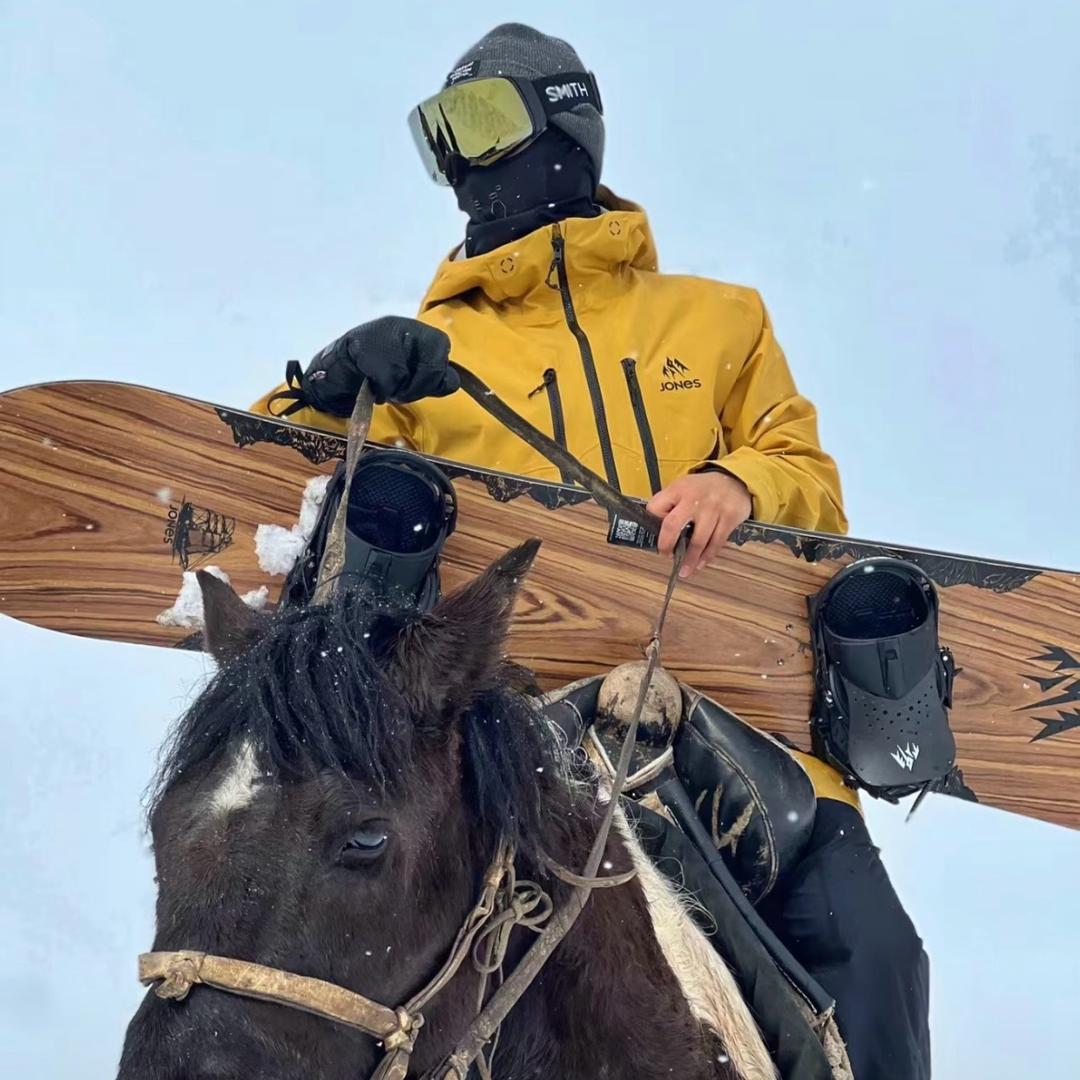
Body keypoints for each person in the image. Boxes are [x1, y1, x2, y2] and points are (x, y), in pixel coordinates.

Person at [253, 24, 930, 1078]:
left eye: (478, 124)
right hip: (523, 755)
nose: (463, 164)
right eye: (441, 141)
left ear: (563, 117)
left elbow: (810, 480)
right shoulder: (437, 355)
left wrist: (740, 481)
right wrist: (327, 389)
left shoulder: (719, 322)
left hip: (749, 742)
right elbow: (280, 512)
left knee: (883, 958)